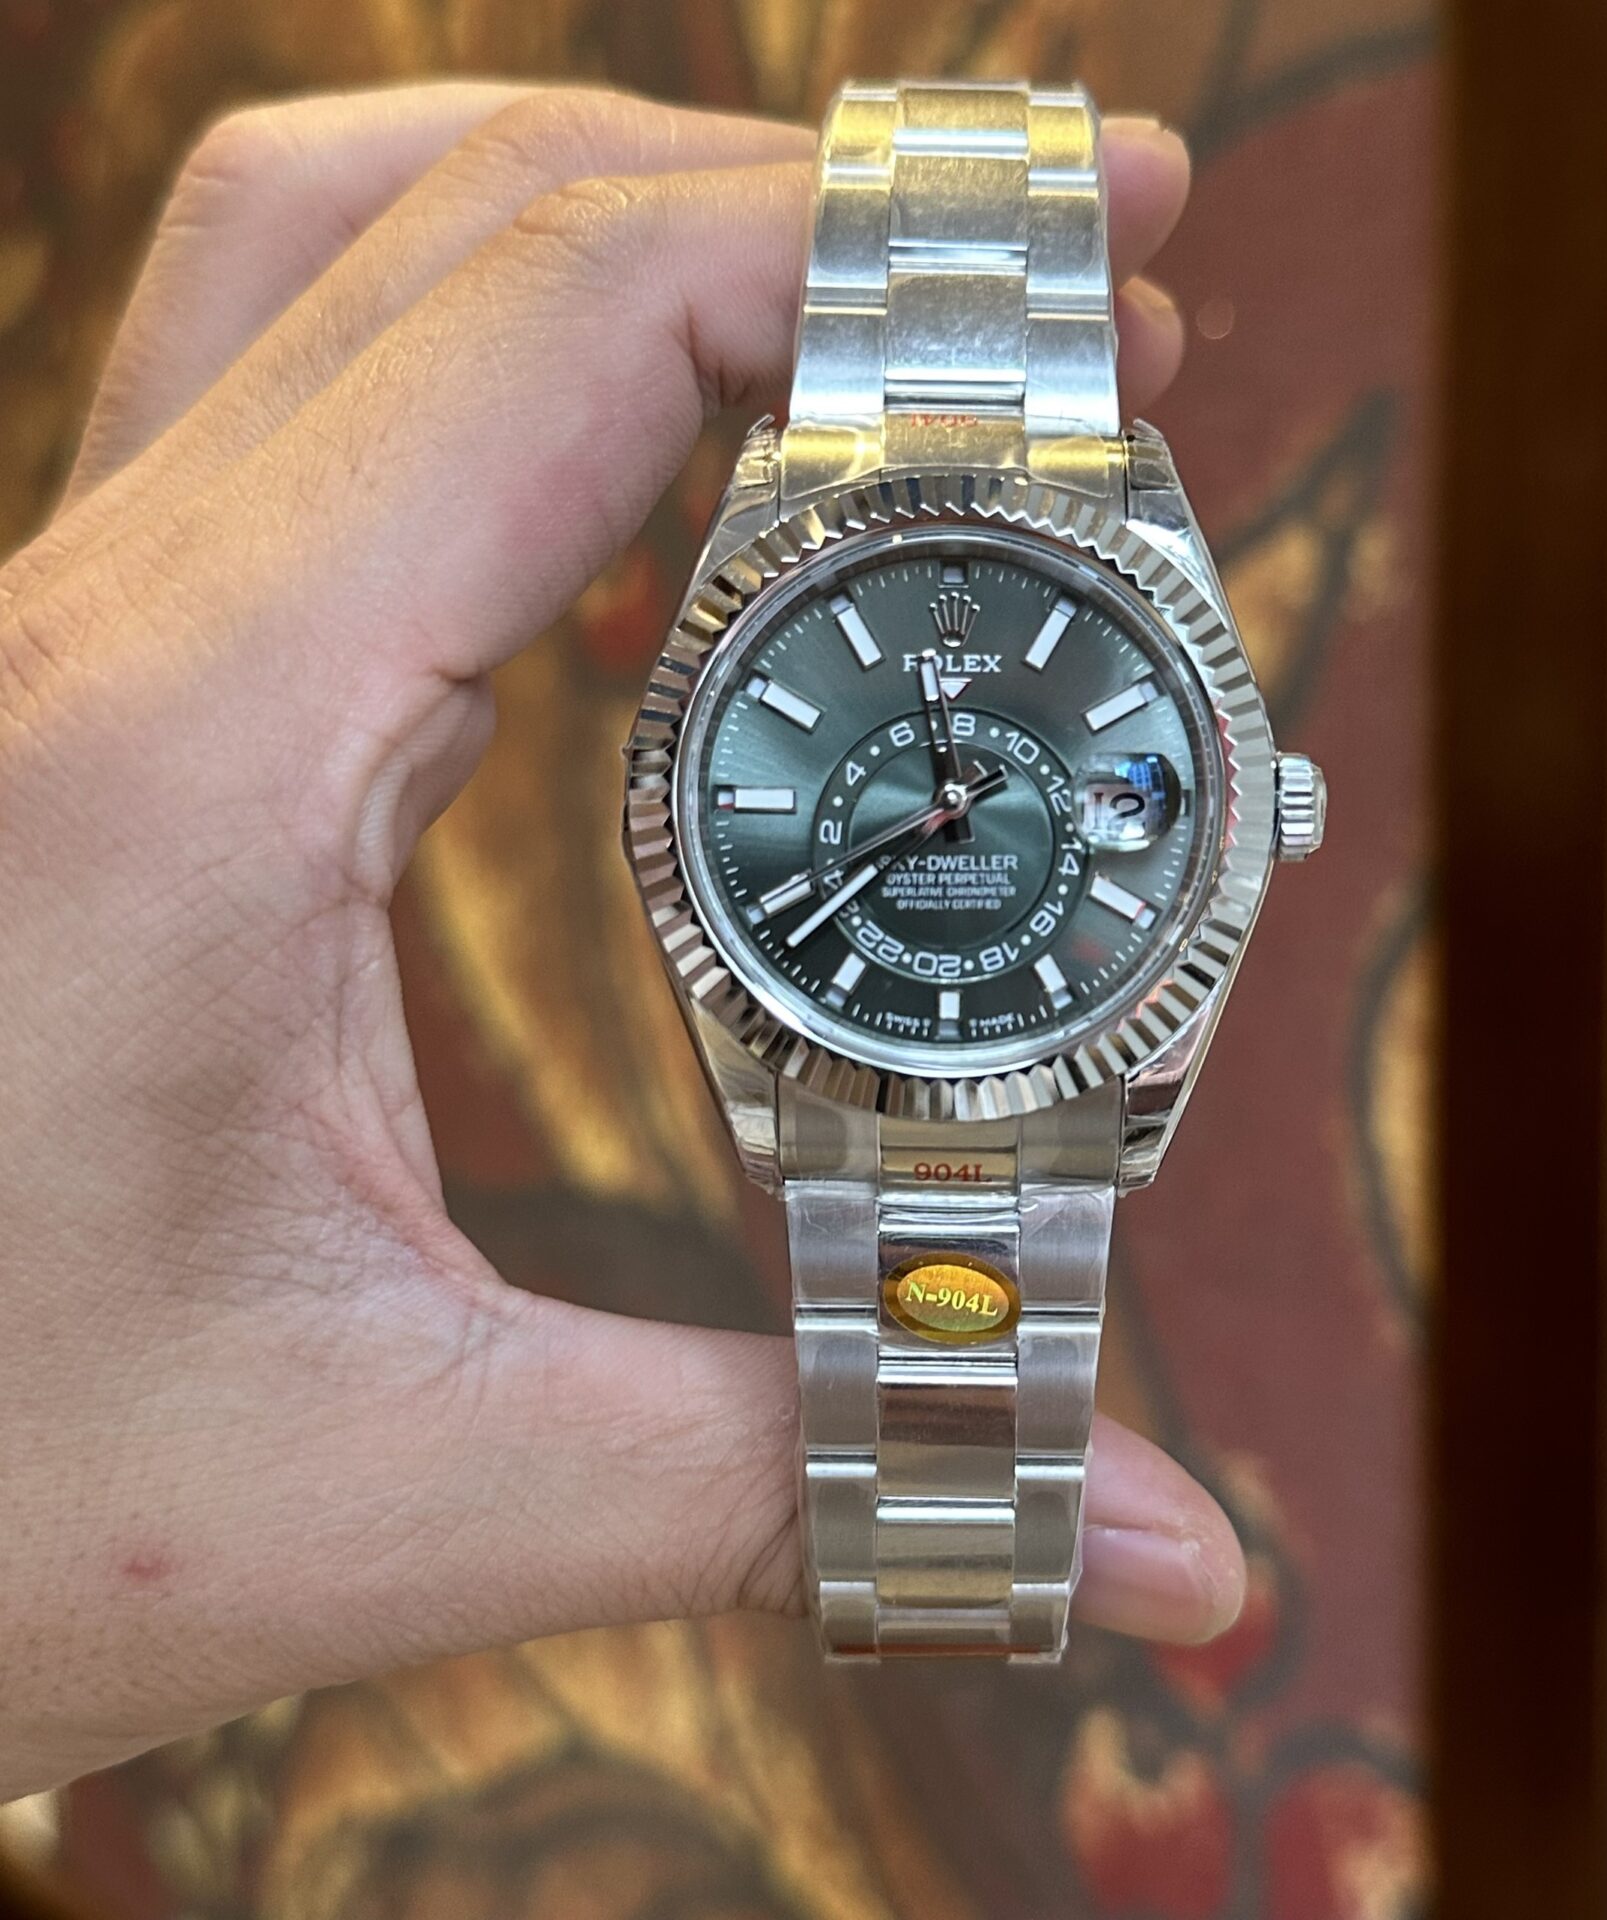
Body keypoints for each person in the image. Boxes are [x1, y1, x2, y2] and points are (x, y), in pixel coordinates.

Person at [0, 84, 1247, 1800]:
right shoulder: (833, 731)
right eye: (932, 808)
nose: (952, 817)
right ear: (676, 801)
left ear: (1261, 809)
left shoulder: (905, 725)